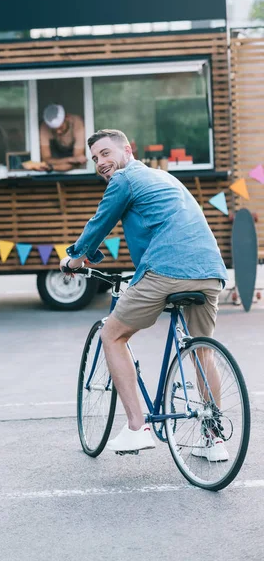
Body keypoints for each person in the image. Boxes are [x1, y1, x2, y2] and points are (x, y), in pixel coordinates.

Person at [60, 129, 229, 460]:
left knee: (112, 335)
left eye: (106, 153)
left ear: (127, 150)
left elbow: (99, 224)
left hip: (166, 269)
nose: (101, 163)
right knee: (201, 350)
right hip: (209, 271)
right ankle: (214, 440)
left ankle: (138, 428)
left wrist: (76, 258)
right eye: (95, 158)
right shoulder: (165, 178)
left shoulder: (124, 180)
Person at [39, 104, 87, 172]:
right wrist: (70, 159)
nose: (58, 132)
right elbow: (46, 159)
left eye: (61, 128)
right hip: (57, 154)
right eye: (54, 130)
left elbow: (77, 159)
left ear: (67, 117)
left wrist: (52, 167)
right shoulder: (44, 127)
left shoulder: (78, 124)